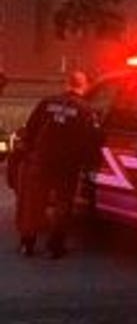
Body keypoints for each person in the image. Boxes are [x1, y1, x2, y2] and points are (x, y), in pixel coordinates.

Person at [16, 71, 101, 258]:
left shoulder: (46, 102)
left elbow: (30, 129)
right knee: (62, 204)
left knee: (34, 203)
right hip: (66, 166)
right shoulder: (86, 110)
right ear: (84, 85)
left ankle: (27, 244)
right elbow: (92, 141)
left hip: (40, 161)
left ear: (67, 84)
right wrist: (91, 165)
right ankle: (55, 247)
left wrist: (29, 153)